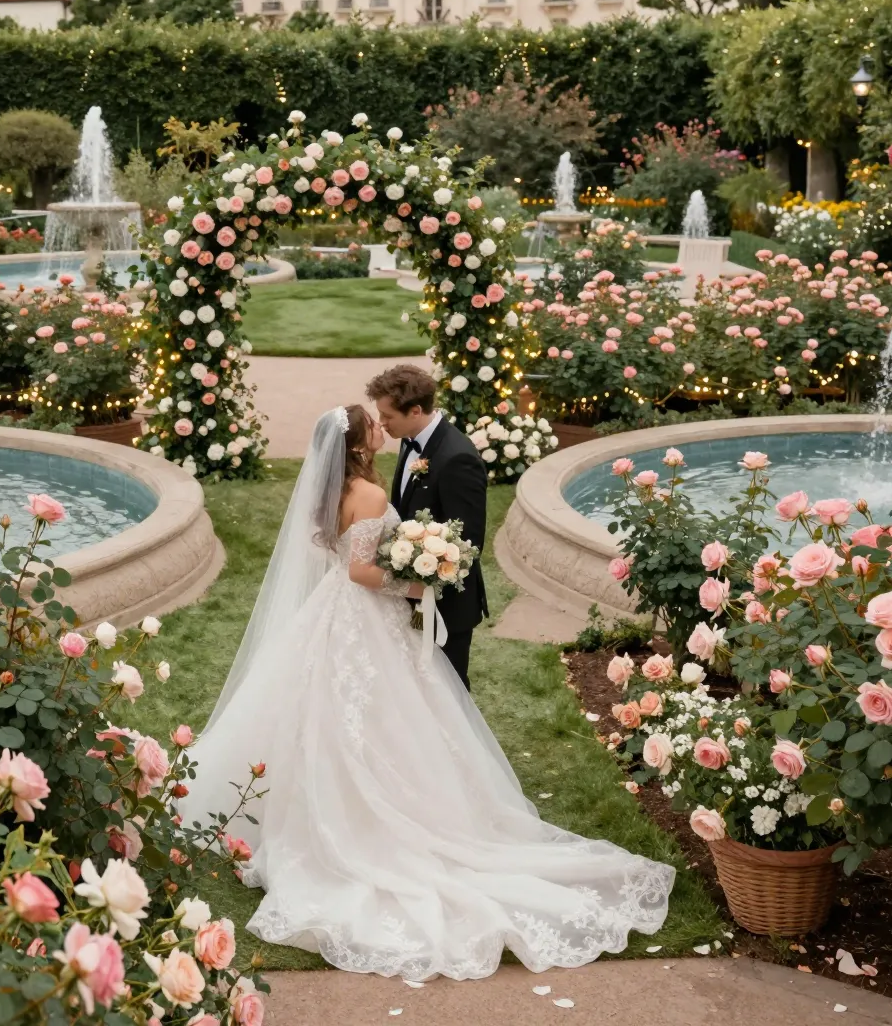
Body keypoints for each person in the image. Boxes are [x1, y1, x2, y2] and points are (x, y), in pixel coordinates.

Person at [184, 405, 674, 982]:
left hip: (332, 617)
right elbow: (362, 571)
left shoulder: (329, 493)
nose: (379, 428)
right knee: (385, 713)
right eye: (371, 424)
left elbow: (339, 556)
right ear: (360, 443)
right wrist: (419, 581)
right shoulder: (365, 494)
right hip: (365, 613)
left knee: (324, 710)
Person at [366, 364, 486, 688]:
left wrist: (425, 573)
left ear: (415, 410)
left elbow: (469, 542)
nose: (382, 422)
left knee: (450, 691)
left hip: (447, 605)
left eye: (387, 415)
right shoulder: (410, 440)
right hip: (411, 597)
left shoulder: (458, 458)